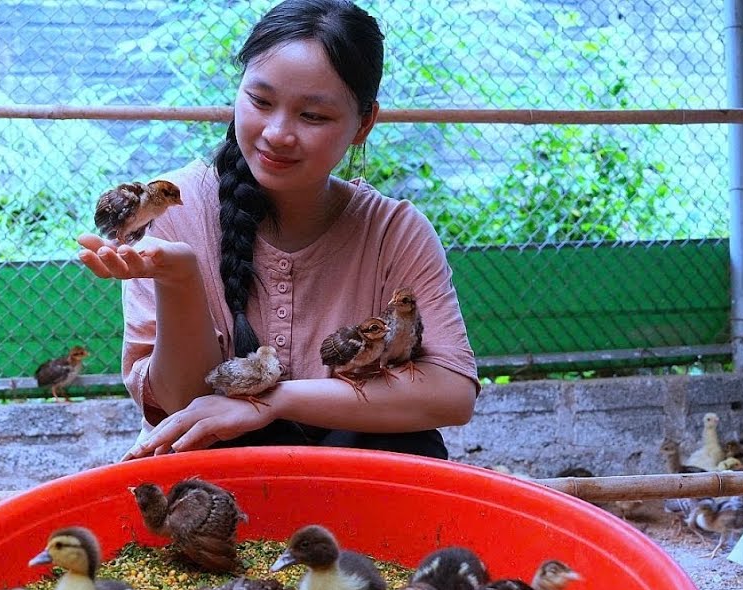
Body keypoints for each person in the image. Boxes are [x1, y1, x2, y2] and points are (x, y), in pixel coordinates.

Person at [77, 0, 478, 460]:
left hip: (351, 474)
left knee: (402, 443)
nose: (277, 133)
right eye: (260, 101)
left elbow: (450, 392)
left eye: (313, 116)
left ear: (364, 122)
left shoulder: (393, 231)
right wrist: (178, 280)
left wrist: (275, 400)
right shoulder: (170, 211)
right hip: (218, 480)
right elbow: (182, 405)